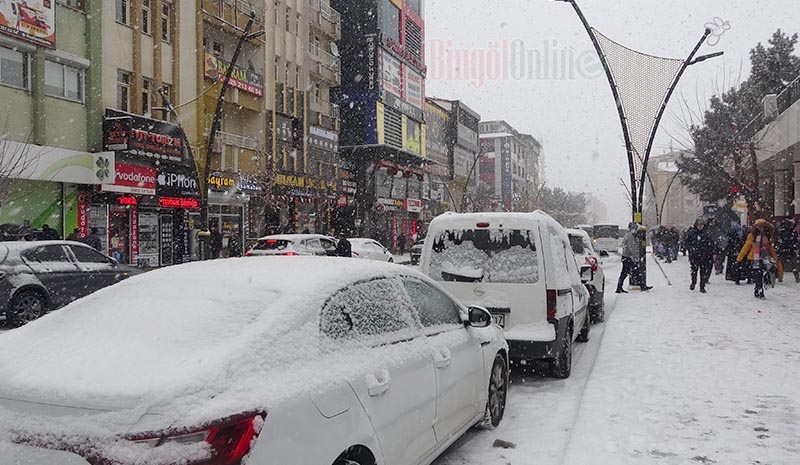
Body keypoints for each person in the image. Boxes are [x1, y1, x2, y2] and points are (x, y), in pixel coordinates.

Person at [737, 219, 777, 299]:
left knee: (762, 275)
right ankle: (760, 291)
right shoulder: (752, 235)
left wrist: (774, 259)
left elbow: (771, 248)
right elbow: (746, 246)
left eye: (761, 226)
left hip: (765, 258)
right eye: (758, 226)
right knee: (758, 275)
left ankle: (757, 289)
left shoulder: (768, 236)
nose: (760, 228)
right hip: (755, 259)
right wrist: (739, 257)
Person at [685, 217, 714, 293]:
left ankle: (702, 286)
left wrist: (709, 251)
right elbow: (687, 242)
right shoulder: (692, 232)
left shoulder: (706, 233)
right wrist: (691, 249)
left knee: (703, 271)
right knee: (694, 270)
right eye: (698, 225)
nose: (700, 227)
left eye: (701, 225)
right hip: (694, 255)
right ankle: (693, 282)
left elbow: (711, 244)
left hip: (704, 256)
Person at [616, 222, 640, 294]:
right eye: (635, 229)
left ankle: (619, 287)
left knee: (630, 272)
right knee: (627, 272)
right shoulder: (630, 236)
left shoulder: (627, 235)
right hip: (628, 257)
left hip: (626, 257)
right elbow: (631, 247)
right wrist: (636, 256)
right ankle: (619, 288)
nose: (636, 230)